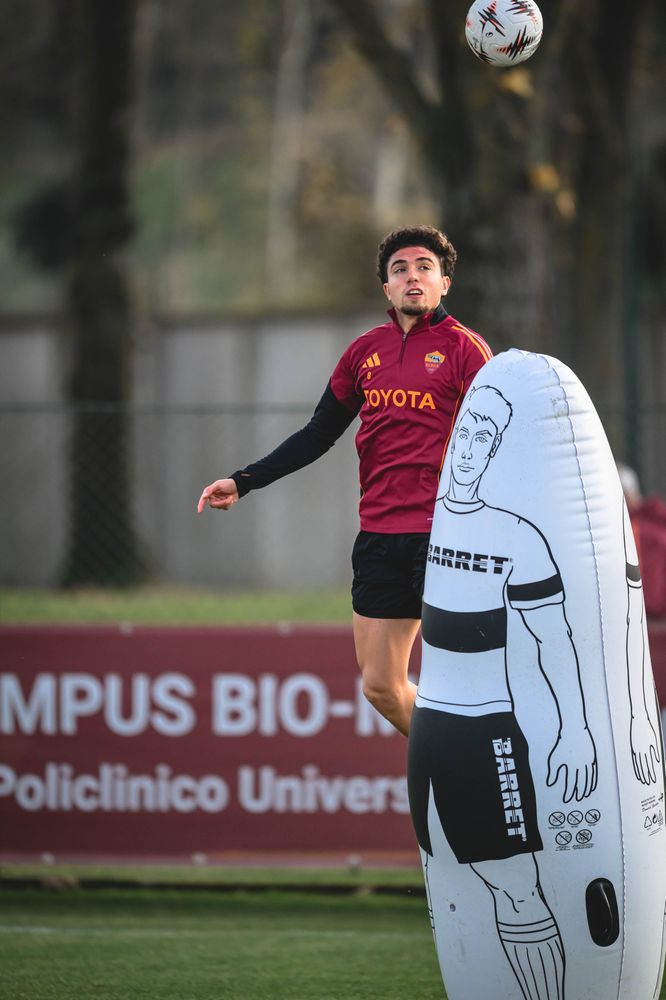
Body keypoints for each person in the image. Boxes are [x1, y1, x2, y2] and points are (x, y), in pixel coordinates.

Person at [197, 225, 492, 736]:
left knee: (463, 679)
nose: (413, 277)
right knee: (379, 687)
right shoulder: (364, 352)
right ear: (387, 289)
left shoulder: (467, 351)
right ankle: (456, 758)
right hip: (379, 535)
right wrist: (243, 482)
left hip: (446, 536)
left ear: (445, 282)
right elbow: (317, 435)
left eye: (425, 267)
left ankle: (483, 770)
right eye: (400, 270)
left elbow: (498, 445)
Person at [409, 385, 597, 999]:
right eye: (460, 437)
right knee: (454, 880)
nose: (465, 450)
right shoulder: (427, 519)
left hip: (483, 728)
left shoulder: (517, 536)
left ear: (493, 454)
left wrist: (576, 731)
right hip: (429, 726)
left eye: (480, 442)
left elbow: (555, 641)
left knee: (517, 884)